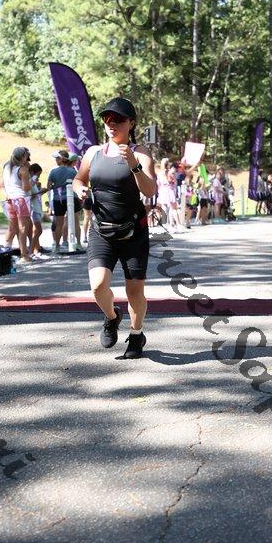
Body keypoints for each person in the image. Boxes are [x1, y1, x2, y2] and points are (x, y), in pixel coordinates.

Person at [73, 97, 156, 359]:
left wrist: (134, 165)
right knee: (98, 286)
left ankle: (136, 334)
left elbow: (150, 190)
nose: (111, 124)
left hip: (133, 232)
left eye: (118, 119)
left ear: (131, 123)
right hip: (101, 230)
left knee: (134, 291)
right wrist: (80, 189)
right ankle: (111, 317)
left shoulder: (140, 152)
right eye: (107, 119)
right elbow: (78, 179)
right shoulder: (93, 153)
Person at [1, 147, 32, 264]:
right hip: (21, 200)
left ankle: (5, 253)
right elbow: (26, 188)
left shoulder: (6, 167)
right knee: (23, 228)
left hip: (10, 200)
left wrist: (6, 194)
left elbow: (1, 185)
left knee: (12, 228)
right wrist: (32, 180)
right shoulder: (23, 169)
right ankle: (24, 255)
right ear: (23, 157)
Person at [47, 150, 83, 252]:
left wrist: (55, 185)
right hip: (72, 198)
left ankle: (57, 246)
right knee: (75, 221)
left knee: (59, 223)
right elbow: (78, 183)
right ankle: (78, 243)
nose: (56, 160)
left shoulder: (53, 172)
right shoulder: (73, 171)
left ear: (62, 159)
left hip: (58, 199)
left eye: (57, 158)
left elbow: (48, 186)